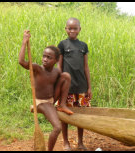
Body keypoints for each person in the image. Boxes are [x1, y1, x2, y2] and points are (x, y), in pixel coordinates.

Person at [19, 30, 74, 151]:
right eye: (44, 56)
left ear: (56, 61)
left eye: (49, 57)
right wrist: (24, 42)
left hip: (52, 99)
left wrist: (58, 100)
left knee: (66, 76)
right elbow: (21, 62)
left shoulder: (56, 72)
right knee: (57, 127)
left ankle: (62, 105)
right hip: (40, 102)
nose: (45, 59)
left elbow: (64, 83)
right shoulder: (38, 69)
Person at [56, 18, 92, 151]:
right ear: (66, 29)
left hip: (81, 86)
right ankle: (66, 143)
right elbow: (59, 66)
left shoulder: (83, 46)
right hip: (67, 87)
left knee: (80, 116)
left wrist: (89, 87)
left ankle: (80, 143)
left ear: (79, 29)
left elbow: (86, 67)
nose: (72, 30)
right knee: (65, 115)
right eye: (69, 28)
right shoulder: (63, 45)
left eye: (75, 28)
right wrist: (58, 85)